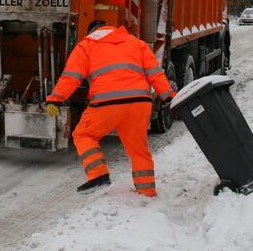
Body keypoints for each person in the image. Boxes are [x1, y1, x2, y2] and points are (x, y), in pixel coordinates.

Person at [45, 20, 175, 196]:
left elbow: (71, 77)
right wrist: (167, 95)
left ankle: (98, 175)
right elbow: (155, 73)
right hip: (139, 103)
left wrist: (55, 99)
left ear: (92, 32)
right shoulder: (136, 43)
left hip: (107, 103)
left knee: (83, 135)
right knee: (139, 150)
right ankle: (147, 191)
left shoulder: (86, 45)